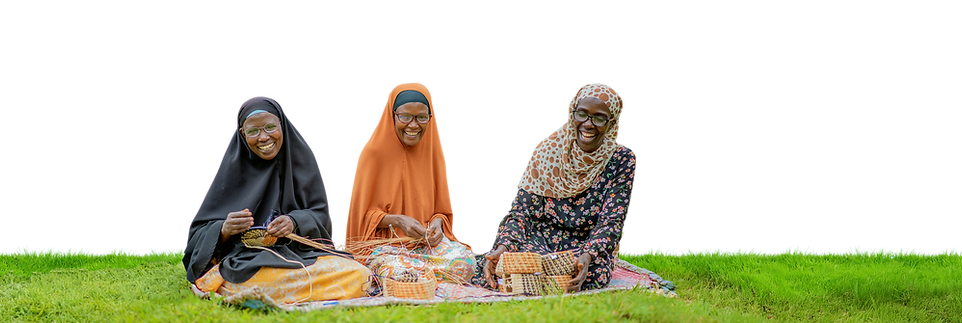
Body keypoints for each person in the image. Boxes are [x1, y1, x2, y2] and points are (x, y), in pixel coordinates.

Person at [183, 92, 370, 304]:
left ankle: (266, 295)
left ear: (282, 125)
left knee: (358, 274)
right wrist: (224, 230)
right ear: (242, 135)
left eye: (270, 127)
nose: (264, 138)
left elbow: (322, 217)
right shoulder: (232, 171)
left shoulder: (303, 162)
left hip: (300, 256)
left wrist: (295, 222)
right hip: (248, 263)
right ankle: (275, 291)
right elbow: (196, 238)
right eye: (253, 131)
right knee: (242, 280)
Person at [473, 79, 639, 292]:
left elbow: (612, 221)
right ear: (572, 112)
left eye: (599, 118)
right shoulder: (548, 148)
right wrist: (505, 246)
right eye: (582, 114)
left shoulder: (623, 158)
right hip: (538, 237)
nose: (588, 124)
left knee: (594, 273)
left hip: (584, 243)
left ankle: (533, 279)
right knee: (503, 259)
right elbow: (520, 211)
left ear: (612, 123)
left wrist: (588, 256)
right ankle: (528, 273)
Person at [342, 79, 478, 252]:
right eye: (405, 117)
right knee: (405, 277)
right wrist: (397, 221)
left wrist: (437, 224)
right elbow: (360, 220)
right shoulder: (373, 153)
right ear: (392, 116)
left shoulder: (432, 153)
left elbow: (442, 212)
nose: (413, 125)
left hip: (426, 245)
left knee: (466, 264)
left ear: (430, 117)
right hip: (383, 247)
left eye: (421, 117)